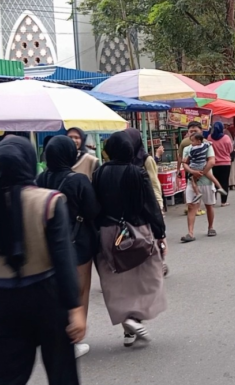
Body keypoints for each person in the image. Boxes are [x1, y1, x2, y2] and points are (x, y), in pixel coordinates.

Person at [0, 136, 85, 384]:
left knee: (9, 374)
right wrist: (76, 308)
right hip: (49, 297)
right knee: (62, 373)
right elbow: (64, 260)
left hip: (4, 301)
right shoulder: (49, 201)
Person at [93, 131, 167, 347]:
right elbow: (149, 205)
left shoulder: (99, 173)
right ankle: (134, 319)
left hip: (107, 232)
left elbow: (95, 205)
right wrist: (160, 233)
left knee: (115, 280)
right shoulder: (136, 172)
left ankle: (127, 328)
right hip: (136, 231)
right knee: (147, 276)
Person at [36, 135, 99, 359]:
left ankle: (55, 334)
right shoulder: (79, 180)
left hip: (46, 244)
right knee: (78, 291)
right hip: (78, 242)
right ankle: (74, 339)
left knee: (55, 290)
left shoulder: (40, 179)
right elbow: (92, 211)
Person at [182, 132, 218, 241]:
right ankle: (190, 233)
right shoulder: (187, 149)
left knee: (209, 205)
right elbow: (185, 163)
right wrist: (193, 172)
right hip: (192, 181)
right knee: (191, 206)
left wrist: (200, 173)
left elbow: (211, 161)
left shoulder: (208, 146)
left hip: (206, 181)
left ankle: (211, 227)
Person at [124, 128, 165, 212]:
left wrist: (159, 205)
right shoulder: (125, 159)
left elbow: (154, 183)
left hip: (147, 202)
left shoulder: (147, 159)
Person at [184, 133, 227, 203]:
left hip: (195, 167)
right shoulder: (205, 145)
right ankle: (220, 188)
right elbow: (210, 143)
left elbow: (188, 159)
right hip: (204, 166)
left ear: (198, 141)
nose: (191, 143)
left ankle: (197, 193)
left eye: (192, 141)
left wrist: (186, 160)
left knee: (193, 180)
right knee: (212, 178)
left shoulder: (192, 150)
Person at [208, 122, 234, 206]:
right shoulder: (226, 138)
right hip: (225, 163)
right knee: (224, 182)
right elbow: (230, 150)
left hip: (213, 163)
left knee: (214, 182)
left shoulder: (209, 138)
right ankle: (223, 201)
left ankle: (213, 200)